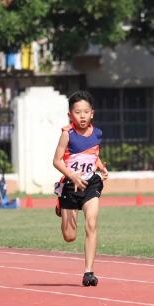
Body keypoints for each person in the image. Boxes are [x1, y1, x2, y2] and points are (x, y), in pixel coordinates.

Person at [52, 91, 109, 287]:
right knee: (69, 237)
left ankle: (89, 272)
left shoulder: (97, 133)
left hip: (90, 184)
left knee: (91, 223)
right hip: (70, 186)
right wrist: (72, 175)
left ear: (92, 113)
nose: (82, 116)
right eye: (78, 112)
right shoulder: (67, 134)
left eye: (86, 112)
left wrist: (101, 167)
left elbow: (93, 155)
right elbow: (56, 161)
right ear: (70, 115)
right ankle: (60, 205)